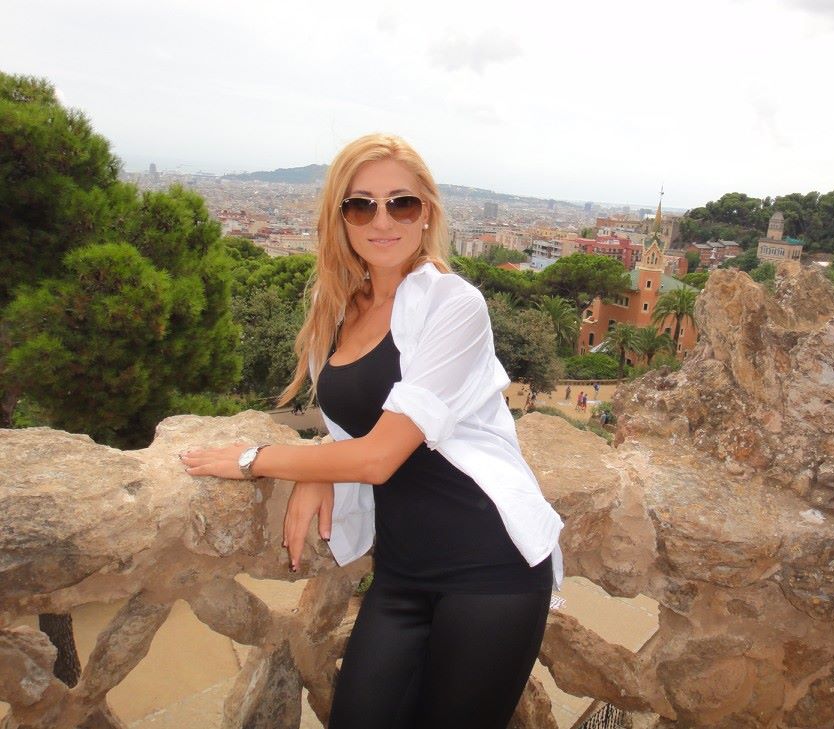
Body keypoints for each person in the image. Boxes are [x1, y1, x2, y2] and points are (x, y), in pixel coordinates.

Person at [181, 133, 563, 729]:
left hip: (490, 570)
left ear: (426, 212)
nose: (382, 221)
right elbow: (361, 429)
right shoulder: (338, 308)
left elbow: (381, 456)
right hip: (401, 573)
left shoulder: (454, 304)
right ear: (340, 218)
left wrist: (259, 459)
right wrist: (323, 463)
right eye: (361, 206)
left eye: (401, 204)